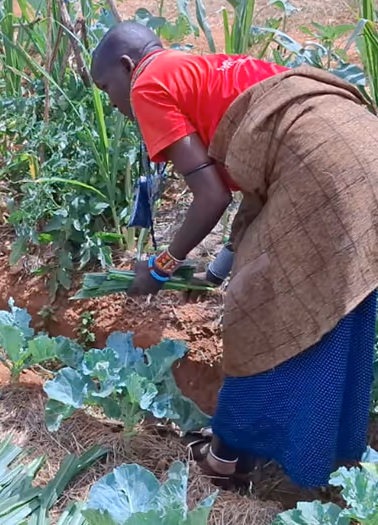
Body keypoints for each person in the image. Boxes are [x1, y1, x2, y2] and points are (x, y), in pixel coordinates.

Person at [91, 21, 378, 488]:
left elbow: (210, 197)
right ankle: (323, 454)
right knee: (336, 309)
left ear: (127, 66)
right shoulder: (203, 69)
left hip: (325, 167)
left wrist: (160, 269)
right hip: (362, 141)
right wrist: (218, 266)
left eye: (106, 87)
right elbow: (253, 187)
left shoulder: (148, 82)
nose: (113, 101)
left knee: (259, 309)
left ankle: (228, 458)